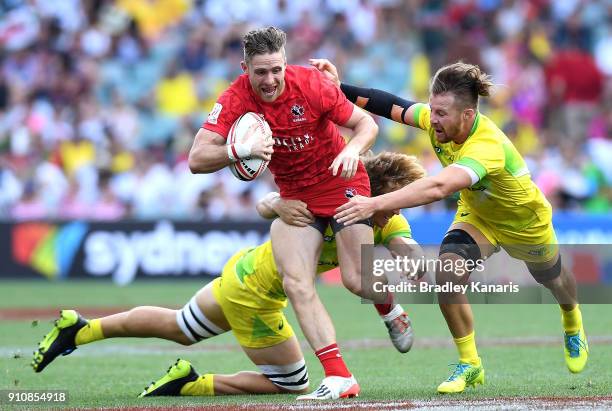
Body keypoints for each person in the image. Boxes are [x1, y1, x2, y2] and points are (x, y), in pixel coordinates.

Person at [30, 151, 426, 399]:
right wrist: (275, 201)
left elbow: (404, 245)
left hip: (242, 272)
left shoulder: (384, 220)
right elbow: (268, 204)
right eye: (397, 198)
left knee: (179, 326)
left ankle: (80, 329)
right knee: (293, 384)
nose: (399, 209)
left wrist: (415, 262)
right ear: (377, 190)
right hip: (257, 296)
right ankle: (192, 385)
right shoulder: (331, 204)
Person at [310, 59, 589, 394]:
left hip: (525, 224)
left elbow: (439, 187)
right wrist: (335, 90)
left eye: (442, 113)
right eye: (432, 109)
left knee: (554, 279)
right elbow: (388, 104)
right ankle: (470, 364)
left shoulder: (487, 147)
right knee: (448, 274)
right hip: (479, 218)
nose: (433, 118)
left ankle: (572, 318)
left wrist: (375, 203)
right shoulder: (438, 119)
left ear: (468, 116)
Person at [189, 26, 411, 399]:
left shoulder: (310, 83)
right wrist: (236, 151)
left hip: (343, 182)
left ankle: (390, 310)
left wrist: (352, 150)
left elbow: (366, 124)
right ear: (245, 68)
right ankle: (340, 376)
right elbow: (197, 159)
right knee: (296, 282)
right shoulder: (233, 99)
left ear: (285, 63)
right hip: (296, 198)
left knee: (356, 280)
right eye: (260, 72)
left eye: (276, 69)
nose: (270, 79)